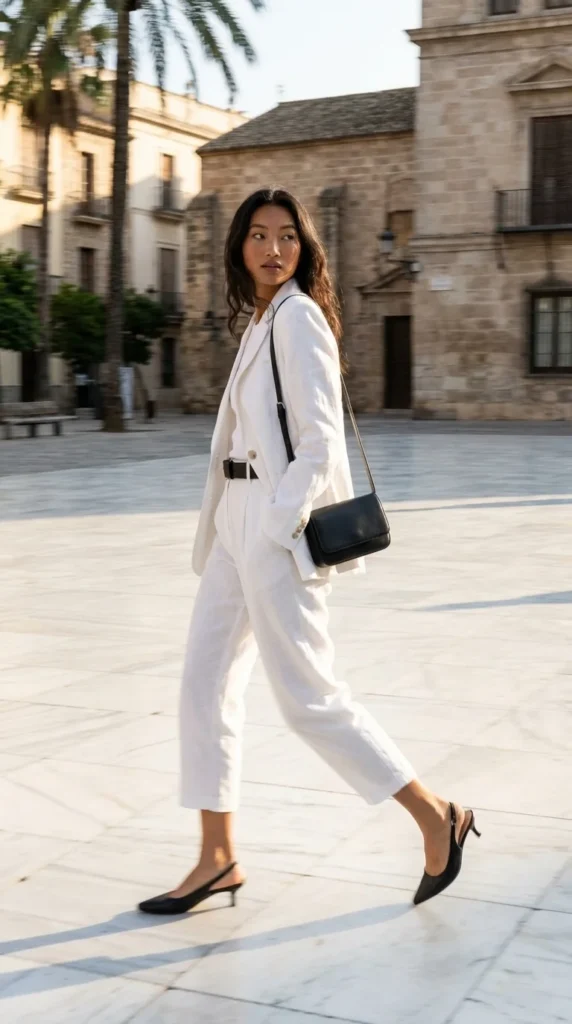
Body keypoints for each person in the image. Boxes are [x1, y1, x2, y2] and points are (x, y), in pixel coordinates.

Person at [138, 187, 480, 916]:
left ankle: (435, 815)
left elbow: (320, 441)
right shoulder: (260, 319)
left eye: (286, 236)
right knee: (203, 685)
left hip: (271, 524)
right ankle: (217, 857)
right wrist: (242, 524)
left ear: (304, 247)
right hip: (235, 518)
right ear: (239, 246)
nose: (272, 249)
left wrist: (275, 525)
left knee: (309, 700)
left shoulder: (298, 318)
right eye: (258, 236)